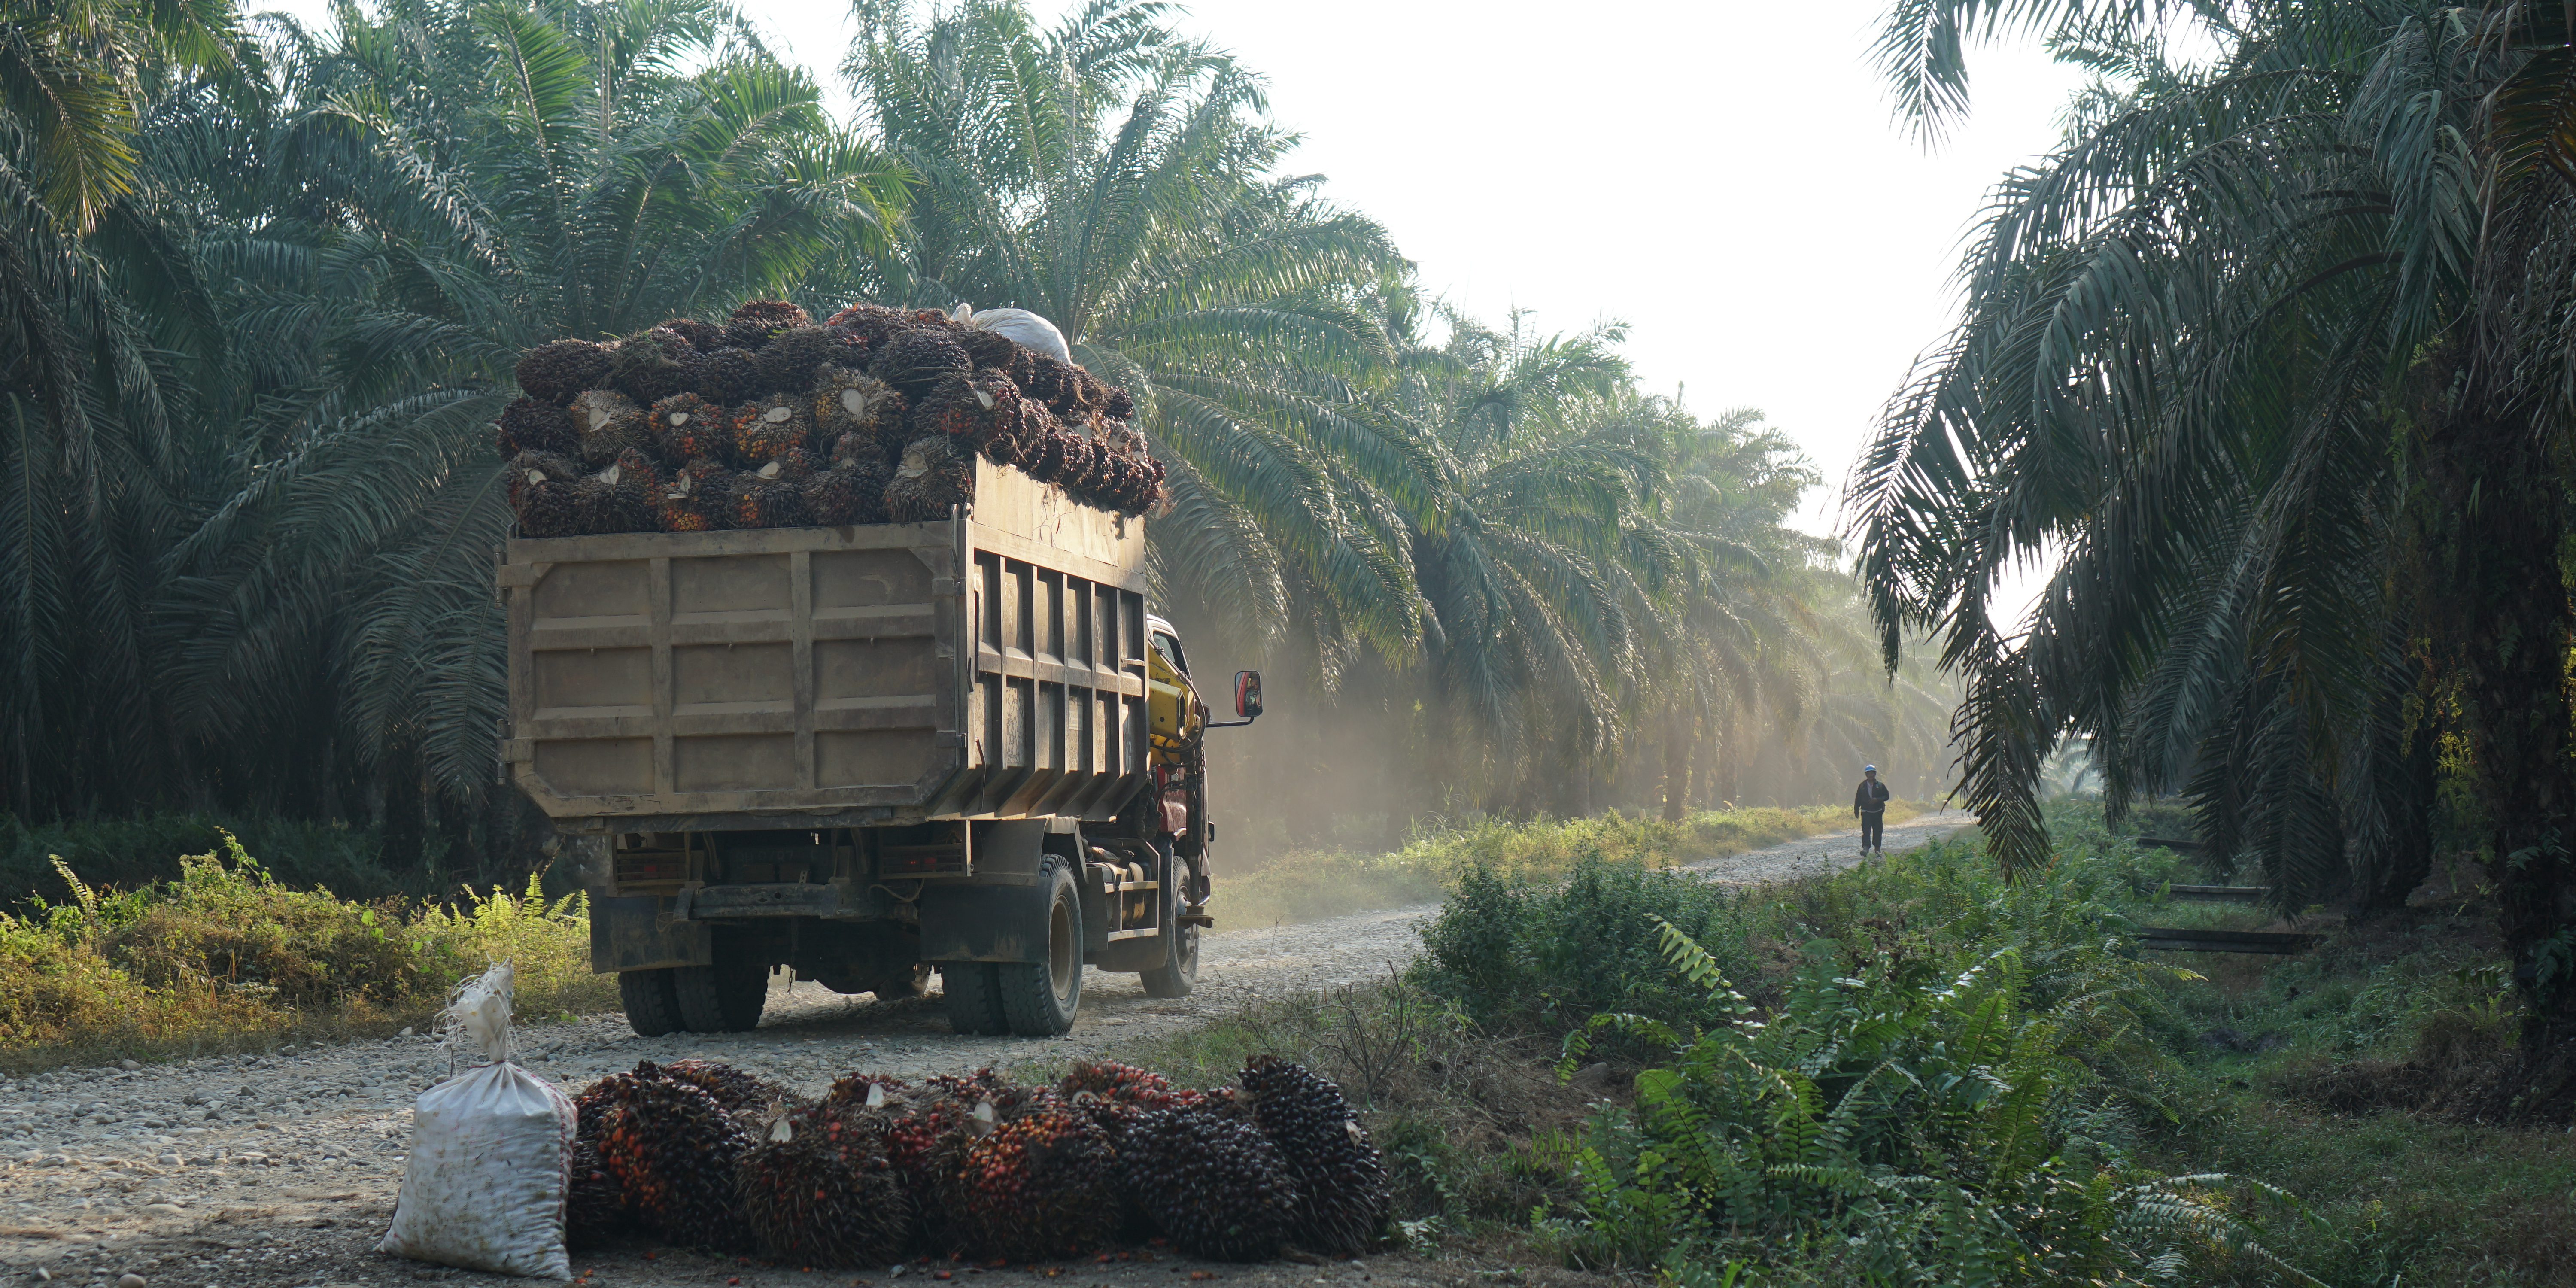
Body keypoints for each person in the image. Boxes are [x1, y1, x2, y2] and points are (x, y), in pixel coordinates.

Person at [1853, 765, 1890, 855]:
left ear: (1875, 774)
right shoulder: (1862, 786)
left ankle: (1877, 849)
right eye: (1869, 773)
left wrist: (1878, 800)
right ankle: (1866, 848)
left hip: (1878, 812)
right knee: (1866, 831)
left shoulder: (1880, 785)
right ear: (1866, 775)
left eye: (1872, 773)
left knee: (1878, 831)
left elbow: (1887, 796)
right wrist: (1856, 810)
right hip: (1866, 812)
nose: (1871, 775)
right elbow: (1858, 799)